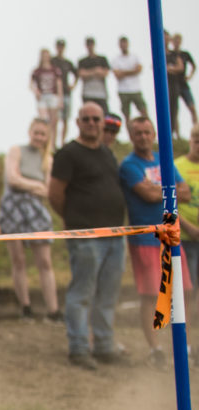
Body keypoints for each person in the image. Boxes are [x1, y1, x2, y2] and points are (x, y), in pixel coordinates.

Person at [48, 102, 127, 370]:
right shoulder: (68, 154)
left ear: (103, 123)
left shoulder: (107, 153)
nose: (92, 123)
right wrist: (74, 220)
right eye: (87, 119)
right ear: (78, 122)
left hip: (115, 235)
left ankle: (104, 345)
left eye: (96, 119)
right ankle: (79, 347)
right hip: (85, 236)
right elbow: (55, 194)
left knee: (108, 293)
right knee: (82, 292)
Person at [119, 117, 192, 368]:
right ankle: (155, 349)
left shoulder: (165, 158)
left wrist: (157, 188)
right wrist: (168, 189)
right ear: (131, 136)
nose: (143, 137)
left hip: (171, 236)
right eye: (138, 133)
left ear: (153, 134)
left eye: (147, 132)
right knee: (151, 296)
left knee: (181, 293)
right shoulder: (129, 165)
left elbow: (186, 191)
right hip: (146, 240)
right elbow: (147, 195)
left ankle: (184, 346)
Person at [0, 119, 60, 323]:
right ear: (30, 131)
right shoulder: (16, 150)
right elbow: (12, 178)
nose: (39, 137)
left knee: (44, 261)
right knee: (19, 260)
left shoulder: (47, 159)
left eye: (43, 134)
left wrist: (29, 185)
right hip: (12, 206)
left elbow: (48, 189)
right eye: (36, 132)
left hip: (35, 207)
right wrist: (35, 185)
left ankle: (53, 309)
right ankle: (25, 306)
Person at [177, 124, 199, 317]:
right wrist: (189, 227)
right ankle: (187, 331)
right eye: (196, 140)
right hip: (185, 237)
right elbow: (167, 203)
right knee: (187, 288)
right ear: (190, 141)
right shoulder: (177, 166)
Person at [31, 49, 64, 147]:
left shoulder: (55, 70)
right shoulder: (37, 71)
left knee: (53, 122)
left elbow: (59, 84)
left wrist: (60, 99)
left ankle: (52, 144)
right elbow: (32, 84)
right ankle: (44, 143)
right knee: (43, 120)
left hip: (53, 96)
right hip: (42, 97)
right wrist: (35, 91)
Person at [111, 36, 148, 122]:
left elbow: (139, 69)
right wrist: (132, 71)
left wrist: (123, 72)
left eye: (125, 43)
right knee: (127, 116)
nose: (123, 45)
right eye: (122, 44)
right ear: (119, 45)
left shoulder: (135, 57)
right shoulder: (116, 59)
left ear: (128, 44)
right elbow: (117, 75)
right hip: (123, 90)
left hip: (136, 89)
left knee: (143, 111)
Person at [168, 34, 197, 138]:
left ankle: (196, 130)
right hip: (174, 84)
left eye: (178, 40)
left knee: (192, 107)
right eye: (175, 40)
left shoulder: (185, 54)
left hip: (183, 84)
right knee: (175, 110)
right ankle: (177, 135)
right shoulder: (170, 54)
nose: (177, 42)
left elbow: (193, 66)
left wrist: (189, 76)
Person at [53, 38, 78, 146]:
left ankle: (62, 142)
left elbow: (77, 74)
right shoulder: (52, 61)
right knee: (55, 119)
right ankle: (53, 143)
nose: (60, 48)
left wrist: (73, 85)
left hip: (67, 93)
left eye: (62, 46)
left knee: (65, 119)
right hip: (54, 94)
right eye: (59, 46)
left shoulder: (68, 63)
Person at [78, 37, 111, 113]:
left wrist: (88, 73)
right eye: (88, 44)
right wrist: (95, 71)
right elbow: (82, 74)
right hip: (87, 94)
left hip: (101, 94)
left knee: (104, 115)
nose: (90, 46)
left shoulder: (102, 59)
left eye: (91, 44)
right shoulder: (82, 61)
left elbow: (105, 73)